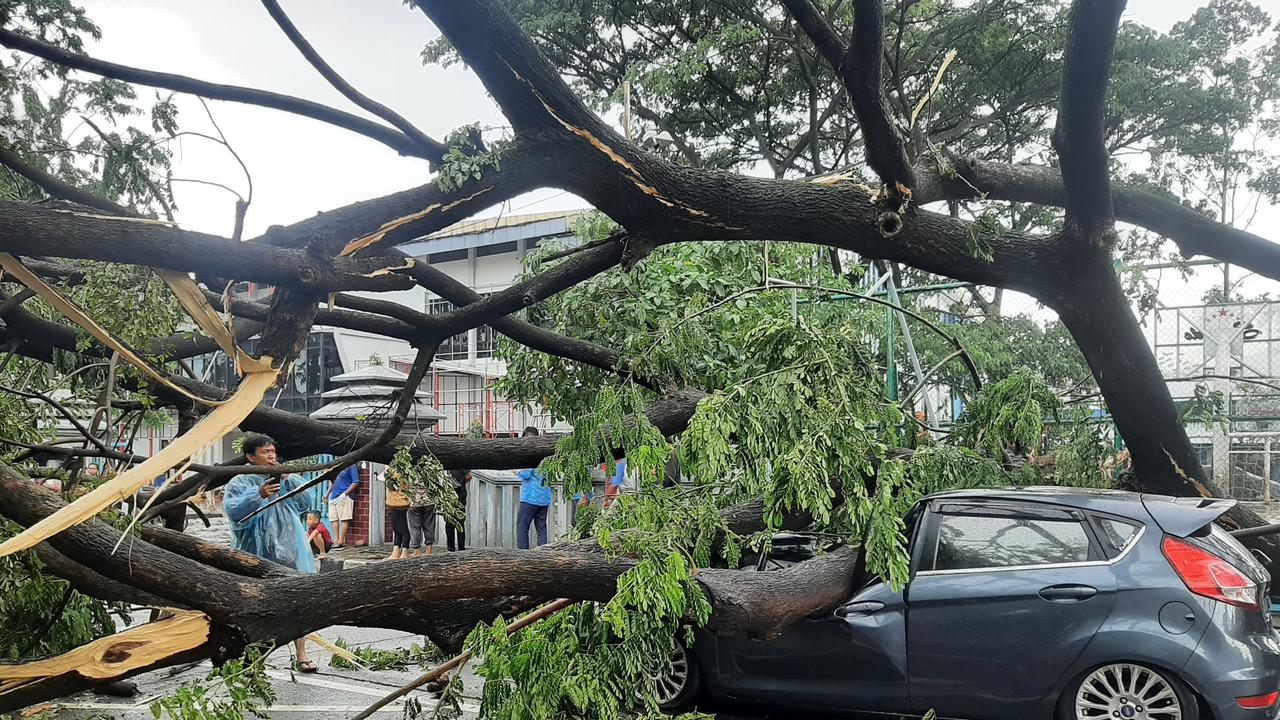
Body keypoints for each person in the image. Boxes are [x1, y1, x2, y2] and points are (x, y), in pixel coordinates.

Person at [223, 434, 319, 672]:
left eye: (273, 451)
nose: (271, 456)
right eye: (265, 452)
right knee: (257, 604)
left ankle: (302, 653)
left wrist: (288, 478)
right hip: (256, 551)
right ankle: (256, 657)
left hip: (291, 547)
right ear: (250, 456)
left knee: (298, 600)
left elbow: (305, 503)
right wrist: (259, 494)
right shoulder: (240, 481)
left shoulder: (286, 477)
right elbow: (235, 514)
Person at [516, 426, 552, 549]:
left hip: (530, 497)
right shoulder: (546, 454)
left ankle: (523, 555)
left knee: (522, 527)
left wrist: (516, 472)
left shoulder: (530, 454)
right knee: (541, 528)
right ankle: (543, 553)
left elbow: (525, 473)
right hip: (545, 497)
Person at [328, 462, 361, 549]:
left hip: (345, 496)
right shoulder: (337, 464)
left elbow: (356, 482)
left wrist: (345, 493)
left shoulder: (351, 465)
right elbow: (334, 482)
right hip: (334, 496)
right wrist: (327, 494)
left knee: (344, 518)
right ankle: (336, 539)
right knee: (333, 518)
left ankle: (340, 541)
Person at [384, 470, 411, 560]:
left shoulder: (403, 471)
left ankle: (405, 551)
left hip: (400, 502)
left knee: (403, 529)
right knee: (396, 529)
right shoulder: (389, 470)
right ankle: (396, 550)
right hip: (391, 502)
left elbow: (406, 486)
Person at [406, 483, 436, 558]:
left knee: (415, 527)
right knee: (429, 525)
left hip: (414, 502)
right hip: (429, 501)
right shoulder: (429, 471)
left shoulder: (409, 472)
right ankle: (429, 550)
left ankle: (417, 551)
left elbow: (406, 485)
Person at [445, 468, 470, 551]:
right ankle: (453, 546)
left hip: (458, 494)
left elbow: (469, 476)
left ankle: (457, 546)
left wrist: (460, 484)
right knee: (451, 521)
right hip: (452, 494)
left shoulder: (459, 463)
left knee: (457, 521)